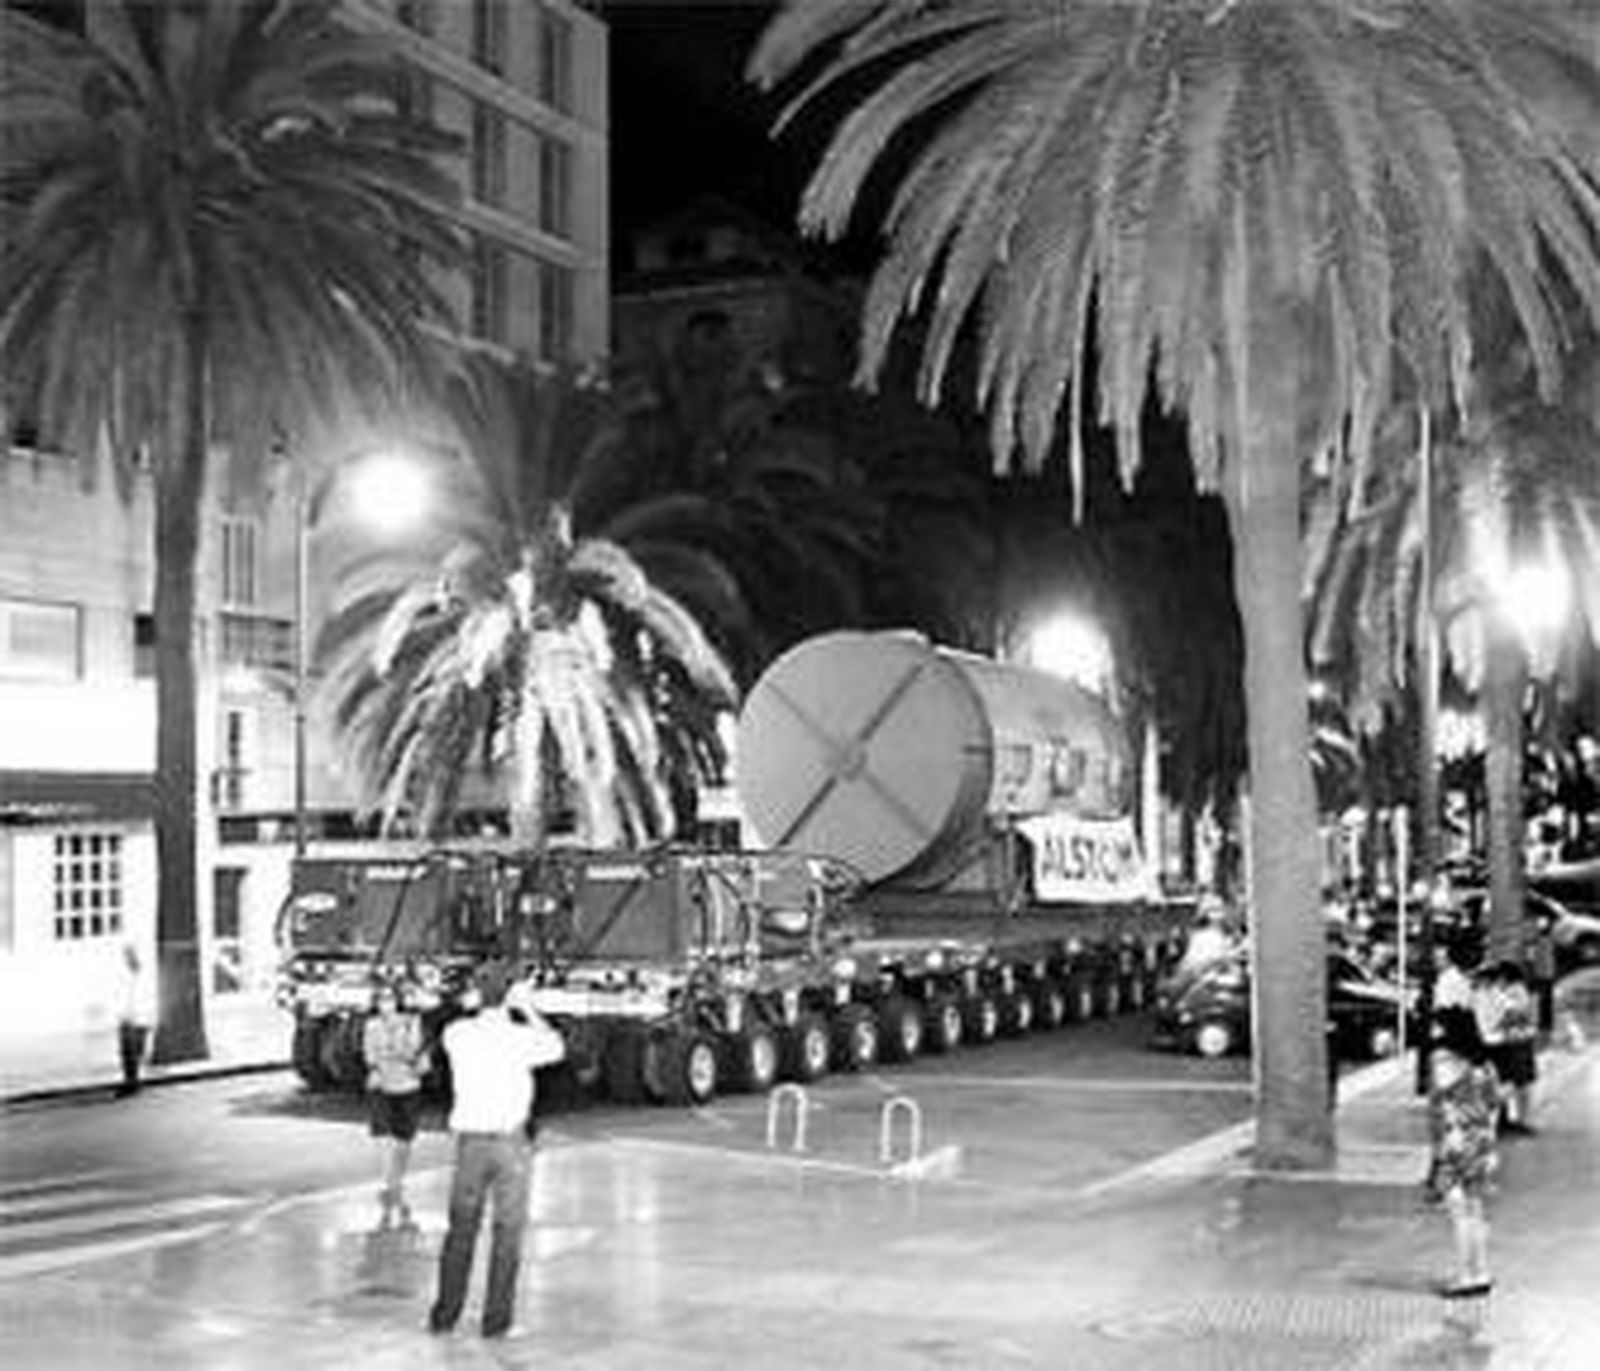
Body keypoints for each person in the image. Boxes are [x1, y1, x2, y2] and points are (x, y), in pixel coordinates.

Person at [428, 965, 566, 1340]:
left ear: (477, 995)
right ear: (509, 996)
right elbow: (557, 1047)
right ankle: (496, 1322)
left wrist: (475, 1003)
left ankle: (444, 1316)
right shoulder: (521, 1038)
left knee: (460, 1230)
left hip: (470, 1145)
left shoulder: (458, 1034)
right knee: (507, 1233)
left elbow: (454, 1021)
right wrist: (528, 1007)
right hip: (510, 1144)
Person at [1427, 1001, 1500, 1298]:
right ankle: (1482, 1272)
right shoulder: (1486, 1066)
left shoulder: (1444, 1061)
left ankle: (1466, 1276)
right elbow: (1494, 1105)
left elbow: (1439, 1099)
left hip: (1455, 1142)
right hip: (1481, 1142)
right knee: (1475, 1210)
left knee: (1458, 1213)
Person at [361, 982, 429, 1223]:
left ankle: (397, 1178)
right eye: (381, 999)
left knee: (404, 1139)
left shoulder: (411, 1022)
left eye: (389, 998)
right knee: (383, 1136)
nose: (385, 1004)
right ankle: (388, 1183)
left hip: (408, 1084)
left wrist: (399, 1050)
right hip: (381, 1084)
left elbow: (413, 1050)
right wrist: (377, 1065)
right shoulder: (371, 1025)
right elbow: (369, 1053)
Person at [1477, 960, 1538, 1136]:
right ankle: (1500, 1115)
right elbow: (1514, 1013)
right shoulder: (1498, 993)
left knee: (1508, 1081)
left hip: (1501, 1042)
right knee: (1514, 1081)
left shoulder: (1503, 992)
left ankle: (1500, 1119)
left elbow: (1515, 1013)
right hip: (1505, 1042)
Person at [115, 943, 153, 1097]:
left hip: (138, 1019)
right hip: (128, 1018)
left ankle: (132, 1083)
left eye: (130, 955)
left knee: (134, 1053)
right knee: (127, 1053)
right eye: (126, 956)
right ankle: (131, 1082)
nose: (128, 959)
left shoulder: (142, 975)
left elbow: (143, 997)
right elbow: (123, 996)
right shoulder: (126, 975)